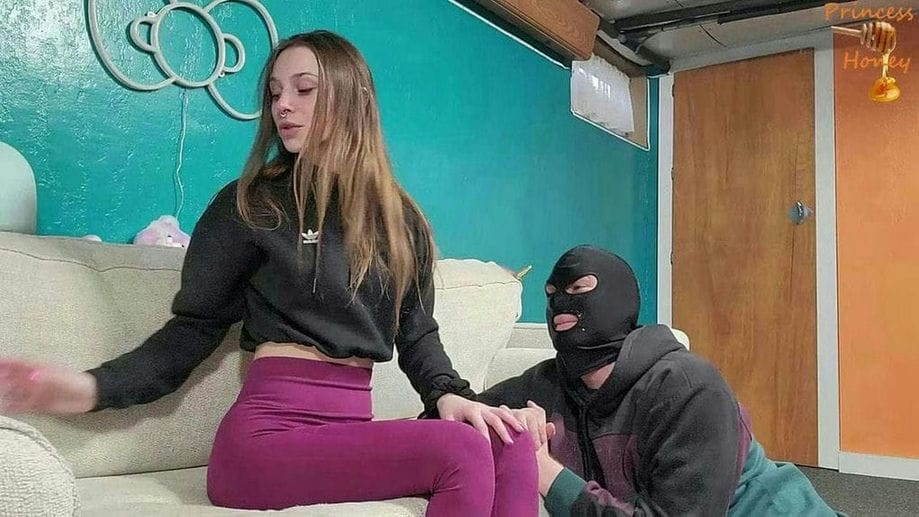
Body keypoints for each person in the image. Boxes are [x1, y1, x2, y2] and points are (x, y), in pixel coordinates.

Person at [0, 30, 538, 516]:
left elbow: (417, 333)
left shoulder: (401, 221)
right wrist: (88, 387)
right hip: (264, 441)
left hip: (346, 435)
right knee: (460, 450)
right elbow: (192, 331)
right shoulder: (252, 203)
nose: (283, 104)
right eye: (276, 92)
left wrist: (449, 395)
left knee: (510, 440)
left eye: (304, 89)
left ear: (353, 98)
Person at [479, 245, 842, 516]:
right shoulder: (545, 384)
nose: (560, 303)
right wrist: (509, 422)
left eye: (578, 288)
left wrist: (547, 473)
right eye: (551, 294)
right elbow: (458, 413)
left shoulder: (688, 388)